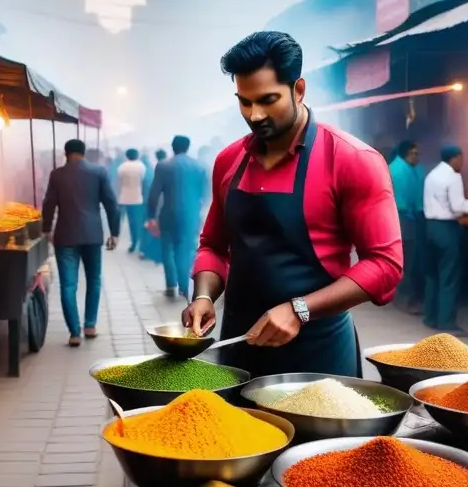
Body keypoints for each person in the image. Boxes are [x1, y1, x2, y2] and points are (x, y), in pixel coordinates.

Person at [182, 31, 403, 377]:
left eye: (268, 100)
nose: (254, 115)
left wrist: (300, 309)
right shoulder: (229, 161)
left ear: (299, 89)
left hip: (319, 354)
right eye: (244, 101)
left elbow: (385, 264)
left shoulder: (352, 160)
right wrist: (204, 297)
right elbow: (213, 245)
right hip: (239, 348)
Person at [42, 139, 120, 347]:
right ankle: (90, 325)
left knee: (68, 285)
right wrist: (115, 232)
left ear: (66, 153)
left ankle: (74, 332)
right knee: (94, 280)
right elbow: (111, 203)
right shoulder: (99, 172)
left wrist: (46, 228)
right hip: (93, 235)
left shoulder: (57, 175)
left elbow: (48, 204)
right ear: (83, 153)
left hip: (65, 236)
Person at [422, 145, 468, 335]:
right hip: (446, 229)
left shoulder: (432, 174)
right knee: (449, 276)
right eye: (462, 158)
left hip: (430, 227)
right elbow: (458, 207)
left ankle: (431, 317)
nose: (463, 162)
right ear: (455, 158)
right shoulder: (453, 176)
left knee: (432, 275)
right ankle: (446, 323)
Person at [148, 135, 208, 299]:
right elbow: (205, 194)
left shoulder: (163, 166)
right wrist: (200, 212)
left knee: (167, 249)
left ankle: (170, 284)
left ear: (173, 147)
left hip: (168, 214)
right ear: (187, 147)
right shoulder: (199, 167)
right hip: (190, 215)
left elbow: (154, 193)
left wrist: (151, 216)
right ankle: (184, 285)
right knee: (186, 249)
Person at [389, 140, 427, 314]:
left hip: (408, 218)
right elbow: (399, 200)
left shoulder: (409, 169)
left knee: (407, 260)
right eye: (414, 153)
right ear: (405, 153)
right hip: (402, 219)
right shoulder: (397, 170)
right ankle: (403, 299)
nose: (417, 157)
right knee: (405, 261)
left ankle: (402, 297)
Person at [116, 148, 147, 254]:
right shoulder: (142, 167)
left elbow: (119, 182)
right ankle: (137, 242)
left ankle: (133, 243)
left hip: (125, 197)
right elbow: (143, 181)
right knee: (138, 222)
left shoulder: (121, 167)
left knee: (130, 222)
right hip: (138, 198)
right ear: (137, 155)